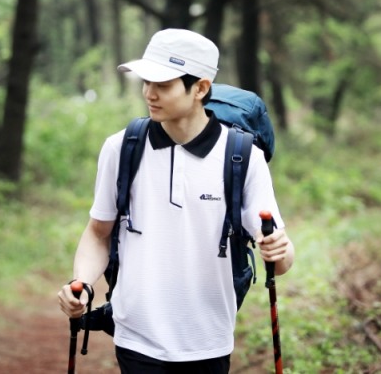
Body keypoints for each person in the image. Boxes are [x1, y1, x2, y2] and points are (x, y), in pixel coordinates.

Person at [58, 29, 295, 373]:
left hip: (209, 339)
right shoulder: (121, 148)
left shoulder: (241, 156)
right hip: (136, 337)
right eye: (146, 82)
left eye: (163, 85)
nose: (149, 94)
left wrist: (279, 250)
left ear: (200, 88)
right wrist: (80, 284)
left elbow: (281, 260)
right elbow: (99, 233)